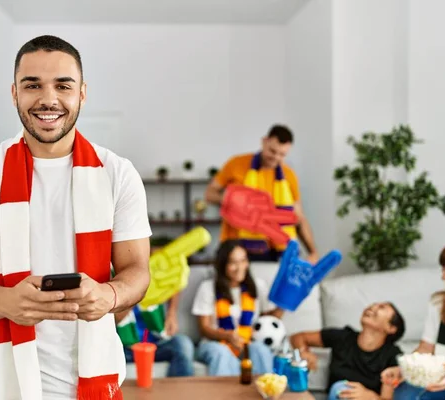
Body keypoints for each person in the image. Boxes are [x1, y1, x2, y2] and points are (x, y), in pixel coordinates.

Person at [0, 35, 151, 400]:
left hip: (93, 378)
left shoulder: (118, 174)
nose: (48, 99)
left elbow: (138, 272)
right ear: (14, 93)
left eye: (63, 86)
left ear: (82, 93)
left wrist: (108, 294)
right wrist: (6, 303)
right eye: (32, 85)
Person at [204, 125, 318, 263]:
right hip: (235, 248)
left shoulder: (289, 176)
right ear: (264, 141)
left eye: (282, 154)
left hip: (277, 251)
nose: (276, 157)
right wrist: (233, 200)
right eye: (272, 151)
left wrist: (313, 252)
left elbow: (298, 217)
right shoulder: (236, 164)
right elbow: (209, 194)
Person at [381, 239, 445, 400]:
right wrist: (404, 369)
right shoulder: (440, 304)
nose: (443, 277)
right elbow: (426, 347)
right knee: (404, 394)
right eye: (443, 270)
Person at [191, 239, 283, 376]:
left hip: (248, 342)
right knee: (222, 353)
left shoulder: (257, 286)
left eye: (243, 260)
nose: (240, 267)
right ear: (223, 265)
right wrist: (227, 336)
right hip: (216, 344)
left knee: (260, 349)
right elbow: (204, 329)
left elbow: (268, 321)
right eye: (233, 262)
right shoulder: (208, 287)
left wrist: (285, 302)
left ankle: (264, 393)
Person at [291, 302, 405, 400]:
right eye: (373, 304)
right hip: (338, 395)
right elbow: (298, 337)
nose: (372, 306)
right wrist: (303, 351)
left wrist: (370, 397)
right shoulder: (343, 337)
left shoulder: (392, 355)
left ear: (391, 328)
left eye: (381, 307)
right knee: (341, 388)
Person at [115, 292, 195, 377]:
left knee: (183, 343)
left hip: (157, 344)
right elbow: (117, 319)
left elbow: (174, 285)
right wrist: (136, 293)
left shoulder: (154, 282)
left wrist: (171, 313)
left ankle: (179, 389)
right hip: (125, 349)